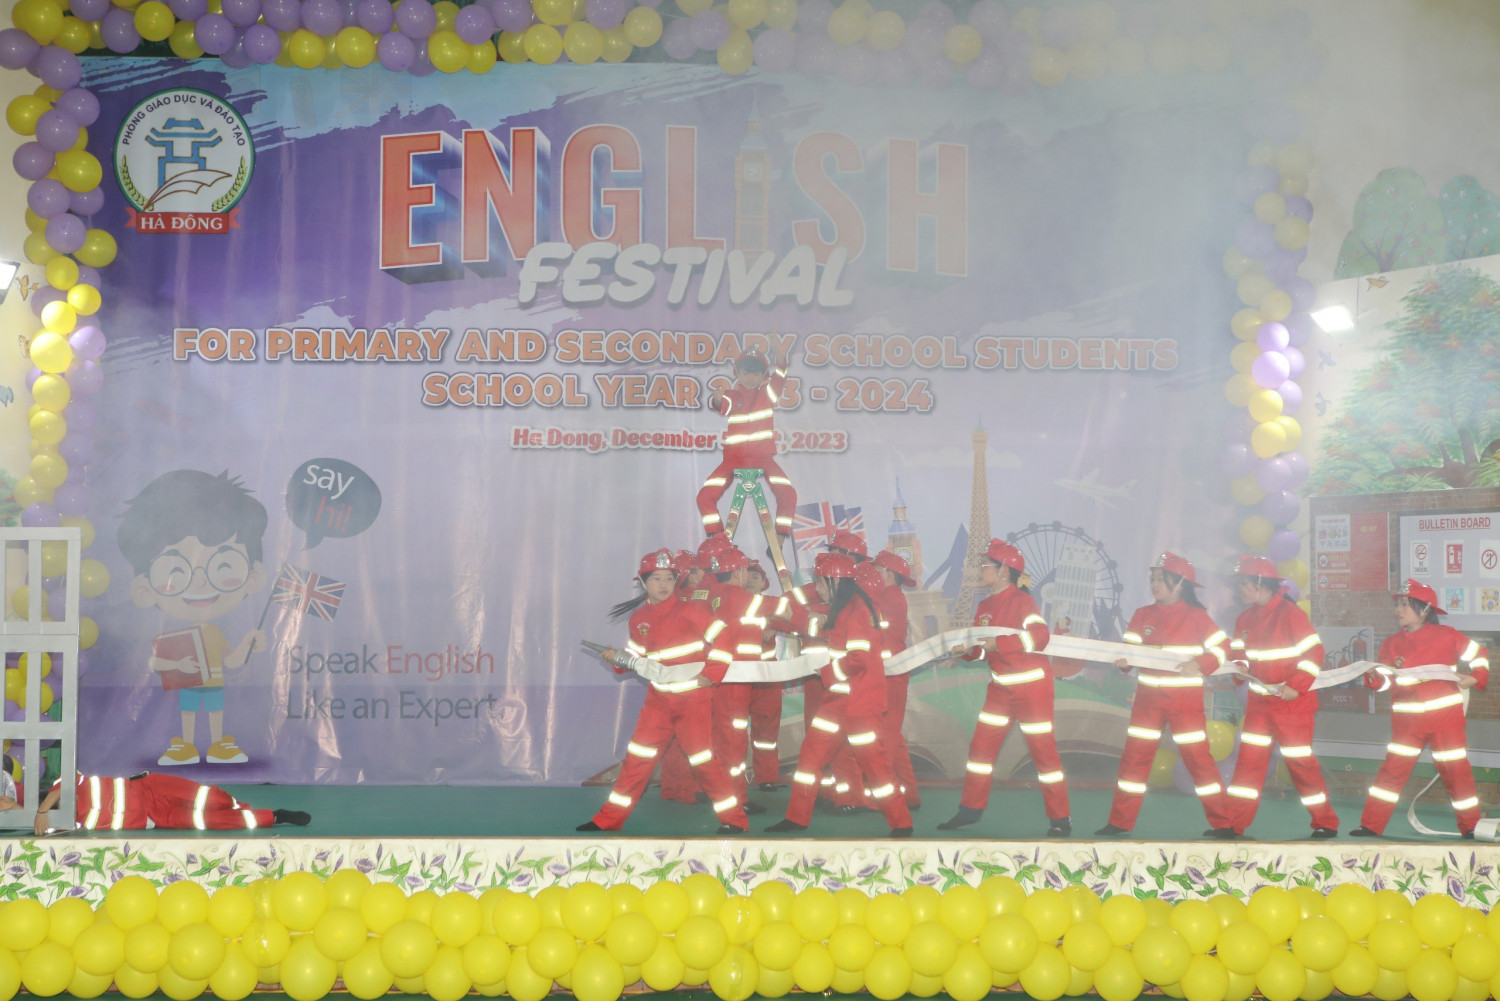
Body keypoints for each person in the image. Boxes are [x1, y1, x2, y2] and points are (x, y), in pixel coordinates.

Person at [579, 549, 749, 834]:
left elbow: (725, 635)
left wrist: (711, 675)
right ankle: (607, 820)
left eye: (669, 578)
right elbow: (636, 660)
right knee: (637, 760)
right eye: (656, 578)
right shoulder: (639, 620)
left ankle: (735, 820)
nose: (664, 584)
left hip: (693, 700)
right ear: (644, 583)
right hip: (658, 701)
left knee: (702, 762)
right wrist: (616, 659)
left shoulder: (691, 610)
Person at [116, 470, 270, 767]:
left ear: (254, 576)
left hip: (213, 683)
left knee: (215, 713)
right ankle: (185, 745)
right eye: (176, 571)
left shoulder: (214, 634)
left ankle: (217, 744)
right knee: (188, 713)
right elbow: (155, 664)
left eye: (223, 566)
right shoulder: (174, 639)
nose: (200, 582)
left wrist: (248, 643)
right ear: (144, 589)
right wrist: (178, 666)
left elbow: (232, 662)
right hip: (188, 684)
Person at [766, 555, 913, 837]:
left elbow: (858, 657)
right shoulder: (846, 608)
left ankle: (901, 822)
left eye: (820, 583)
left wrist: (828, 673)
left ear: (833, 581)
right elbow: (821, 629)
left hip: (858, 704)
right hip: (838, 700)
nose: (817, 589)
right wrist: (787, 619)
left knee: (874, 765)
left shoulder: (857, 611)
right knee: (810, 756)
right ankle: (796, 817)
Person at [938, 539, 1070, 837]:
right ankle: (969, 811)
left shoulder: (1023, 602)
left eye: (986, 565)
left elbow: (1040, 636)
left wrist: (999, 643)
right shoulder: (984, 607)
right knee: (980, 752)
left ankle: (1061, 818)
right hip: (999, 691)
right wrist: (968, 652)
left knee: (1044, 755)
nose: (980, 570)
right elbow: (984, 652)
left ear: (1004, 571)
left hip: (1032, 691)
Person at [1095, 553, 1233, 838]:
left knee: (1199, 762)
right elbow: (1128, 653)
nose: (1155, 585)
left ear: (1180, 584)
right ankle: (1119, 821)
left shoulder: (1197, 617)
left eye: (1161, 579)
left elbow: (1223, 648)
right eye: (1153, 579)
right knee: (1133, 760)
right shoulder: (1142, 615)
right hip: (1147, 702)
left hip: (1185, 704)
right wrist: (1123, 664)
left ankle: (1223, 824)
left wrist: (1201, 664)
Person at [1351, 579, 1488, 839]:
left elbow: (1479, 653)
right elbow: (1387, 683)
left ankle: (1470, 826)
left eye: (1405, 604)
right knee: (1391, 773)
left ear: (1424, 609)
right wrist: (1373, 675)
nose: (1398, 610)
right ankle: (1371, 825)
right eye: (1397, 604)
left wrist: (1476, 676)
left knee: (1457, 774)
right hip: (1407, 725)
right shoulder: (1391, 644)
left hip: (1445, 722)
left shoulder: (1447, 636)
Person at [1221, 555, 1338, 839]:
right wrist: (1239, 669)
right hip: (1259, 705)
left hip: (1292, 705)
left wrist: (1296, 686)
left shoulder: (1291, 614)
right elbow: (1239, 655)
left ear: (1261, 583)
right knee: (1248, 764)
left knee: (1300, 763)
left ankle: (1325, 822)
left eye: (1243, 584)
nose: (1239, 590)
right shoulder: (1244, 619)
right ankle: (1233, 823)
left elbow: (1314, 652)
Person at [0, 769, 309, 835]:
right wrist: (18, 811)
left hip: (151, 787)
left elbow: (62, 785)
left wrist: (41, 809)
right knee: (211, 821)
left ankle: (238, 804)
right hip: (154, 817)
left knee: (212, 798)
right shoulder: (61, 825)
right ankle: (275, 816)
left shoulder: (63, 785)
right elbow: (40, 826)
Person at [696, 350, 797, 542]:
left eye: (756, 374)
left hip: (763, 459)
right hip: (733, 459)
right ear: (738, 373)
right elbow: (721, 405)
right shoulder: (732, 396)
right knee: (704, 497)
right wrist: (717, 399)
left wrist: (779, 350)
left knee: (788, 494)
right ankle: (718, 541)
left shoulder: (769, 393)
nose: (751, 378)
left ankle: (779, 539)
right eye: (746, 373)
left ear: (763, 375)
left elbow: (781, 372)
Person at [874, 550, 921, 811]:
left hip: (890, 672)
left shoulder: (887, 598)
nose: (872, 575)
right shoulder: (892, 597)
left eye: (877, 570)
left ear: (888, 574)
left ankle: (885, 794)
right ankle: (909, 791)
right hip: (890, 671)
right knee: (892, 732)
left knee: (887, 734)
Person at [745, 560, 787, 790]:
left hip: (767, 677)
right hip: (738, 676)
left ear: (764, 583)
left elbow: (792, 616)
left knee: (767, 730)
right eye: (747, 575)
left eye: (756, 576)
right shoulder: (730, 604)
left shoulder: (772, 605)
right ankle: (730, 781)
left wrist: (774, 626)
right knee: (732, 731)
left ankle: (767, 778)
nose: (750, 580)